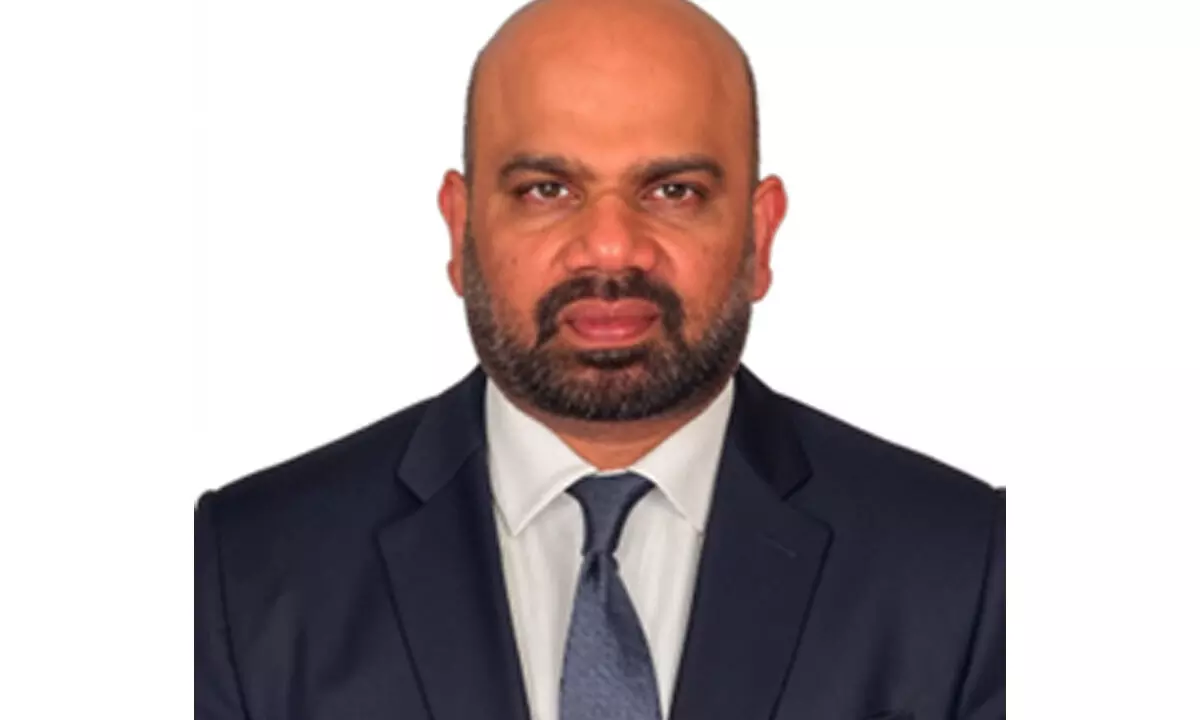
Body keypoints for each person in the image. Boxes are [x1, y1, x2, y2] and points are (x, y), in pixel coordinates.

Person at [194, 0, 1005, 718]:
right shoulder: (242, 570)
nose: (612, 248)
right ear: (460, 227)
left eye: (674, 191)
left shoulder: (970, 568)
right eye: (547, 189)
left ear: (759, 235)